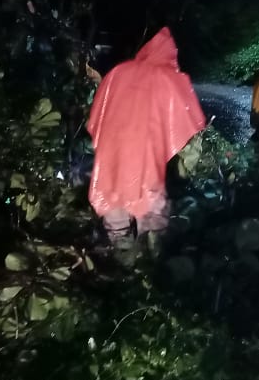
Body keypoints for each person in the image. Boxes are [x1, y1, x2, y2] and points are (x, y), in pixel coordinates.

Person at [87, 27, 206, 241]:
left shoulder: (117, 73)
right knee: (151, 209)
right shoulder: (168, 78)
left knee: (112, 199)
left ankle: (120, 250)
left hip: (112, 156)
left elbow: (98, 116)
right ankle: (148, 255)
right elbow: (189, 117)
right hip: (146, 158)